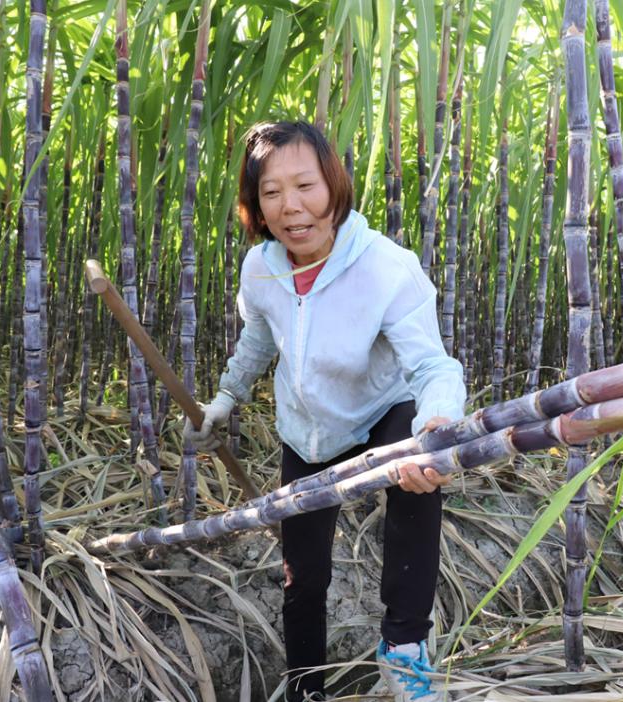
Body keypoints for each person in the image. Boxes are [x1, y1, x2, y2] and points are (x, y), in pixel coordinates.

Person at [186, 121, 465, 701]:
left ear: (335, 186)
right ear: (256, 206)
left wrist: (437, 426)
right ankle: (305, 685)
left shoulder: (387, 266)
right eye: (271, 193)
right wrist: (225, 398)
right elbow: (257, 342)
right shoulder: (261, 268)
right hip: (308, 429)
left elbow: (433, 367)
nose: (292, 208)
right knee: (302, 573)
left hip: (382, 410)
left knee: (418, 480)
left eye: (306, 186)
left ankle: (405, 646)